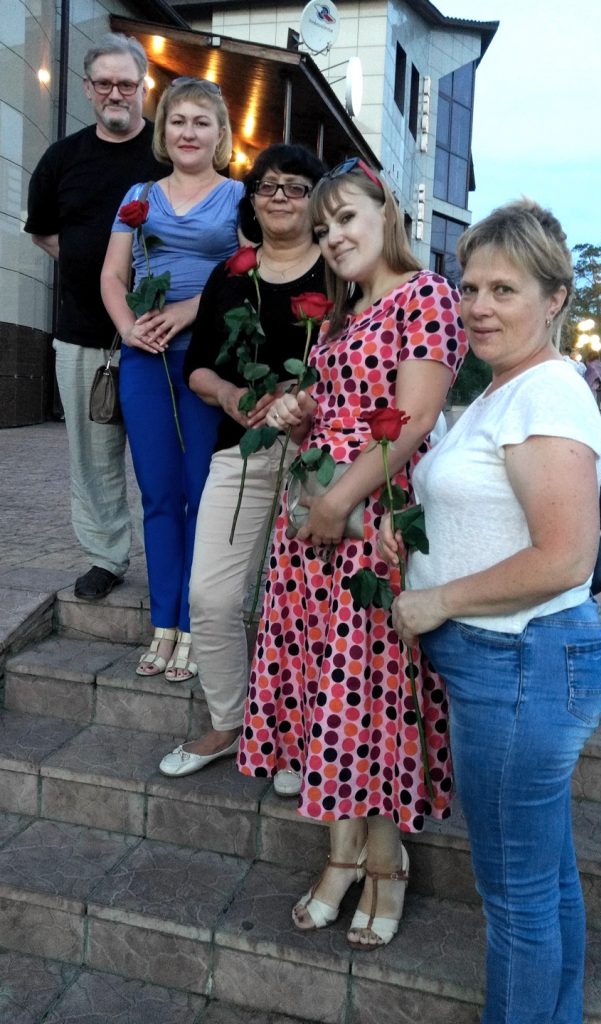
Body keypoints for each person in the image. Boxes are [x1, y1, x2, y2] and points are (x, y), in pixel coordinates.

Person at [384, 200, 601, 1022]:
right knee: (542, 882)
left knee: (515, 900)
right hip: (513, 663)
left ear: (554, 299)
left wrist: (434, 598)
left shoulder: (543, 395)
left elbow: (563, 557)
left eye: (503, 290)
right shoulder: (503, 390)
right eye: (469, 286)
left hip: (521, 664)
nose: (478, 306)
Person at [237, 159, 468, 950]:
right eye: (324, 225)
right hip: (311, 530)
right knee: (321, 692)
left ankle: (382, 866)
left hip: (370, 523)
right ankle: (342, 856)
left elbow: (412, 419)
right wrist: (302, 417)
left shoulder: (424, 295)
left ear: (385, 212)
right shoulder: (341, 317)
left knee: (365, 698)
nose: (332, 236)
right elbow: (331, 418)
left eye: (345, 219)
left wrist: (339, 499)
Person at [157, 143, 326, 770]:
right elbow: (198, 367)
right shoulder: (230, 275)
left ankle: (298, 739)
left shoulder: (339, 273)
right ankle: (229, 722)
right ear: (251, 200)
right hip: (243, 450)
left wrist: (304, 392)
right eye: (267, 185)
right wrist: (228, 392)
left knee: (306, 605)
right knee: (213, 596)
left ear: (317, 202)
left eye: (295, 186)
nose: (279, 195)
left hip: (321, 458)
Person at [101, 78, 244, 680]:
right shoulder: (138, 194)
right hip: (144, 358)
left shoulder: (240, 196)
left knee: (199, 492)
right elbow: (112, 275)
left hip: (206, 358)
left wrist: (190, 310)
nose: (189, 132)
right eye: (178, 121)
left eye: (201, 122)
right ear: (164, 131)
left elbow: (247, 270)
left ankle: (194, 624)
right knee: (158, 494)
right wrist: (131, 326)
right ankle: (164, 624)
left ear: (220, 134)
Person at [24, 33, 167, 601]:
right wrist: (97, 270)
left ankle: (175, 562)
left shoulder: (167, 151)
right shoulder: (62, 158)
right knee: (92, 456)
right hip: (84, 335)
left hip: (162, 335)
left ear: (142, 87)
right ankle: (105, 557)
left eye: (126, 83)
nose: (116, 93)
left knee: (165, 453)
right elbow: (43, 232)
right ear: (87, 89)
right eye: (104, 83)